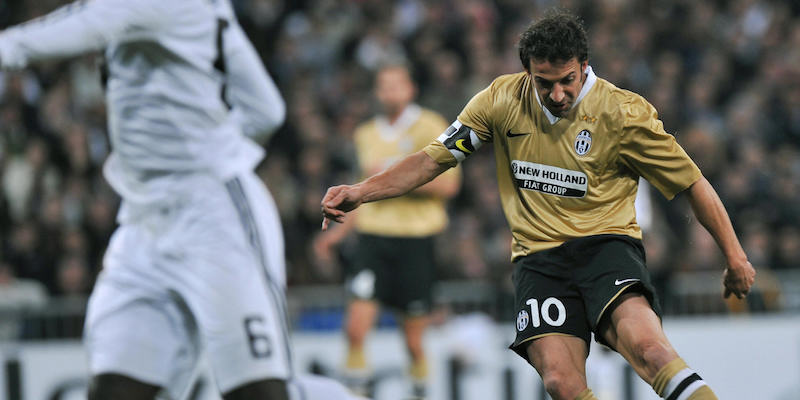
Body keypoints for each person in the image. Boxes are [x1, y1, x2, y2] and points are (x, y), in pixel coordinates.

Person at [322, 9, 756, 400]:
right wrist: (361, 191)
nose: (557, 93)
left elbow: (693, 184)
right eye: (544, 82)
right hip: (538, 260)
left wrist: (734, 255)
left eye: (567, 79)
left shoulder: (624, 114)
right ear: (527, 71)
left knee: (650, 350)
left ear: (584, 66)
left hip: (606, 247)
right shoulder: (500, 100)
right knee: (560, 384)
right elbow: (430, 161)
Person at [0, 1, 360, 399]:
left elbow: (82, 26)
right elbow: (266, 109)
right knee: (115, 390)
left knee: (257, 391)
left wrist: (209, 161)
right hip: (143, 220)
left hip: (215, 216)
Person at [314, 64, 460, 398]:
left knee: (413, 342)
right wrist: (334, 235)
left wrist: (396, 177)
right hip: (373, 239)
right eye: (383, 86)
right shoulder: (365, 134)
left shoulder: (431, 125)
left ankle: (420, 392)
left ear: (411, 89)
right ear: (377, 92)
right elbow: (361, 193)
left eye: (396, 85)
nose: (390, 91)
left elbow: (449, 186)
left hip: (416, 241)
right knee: (354, 330)